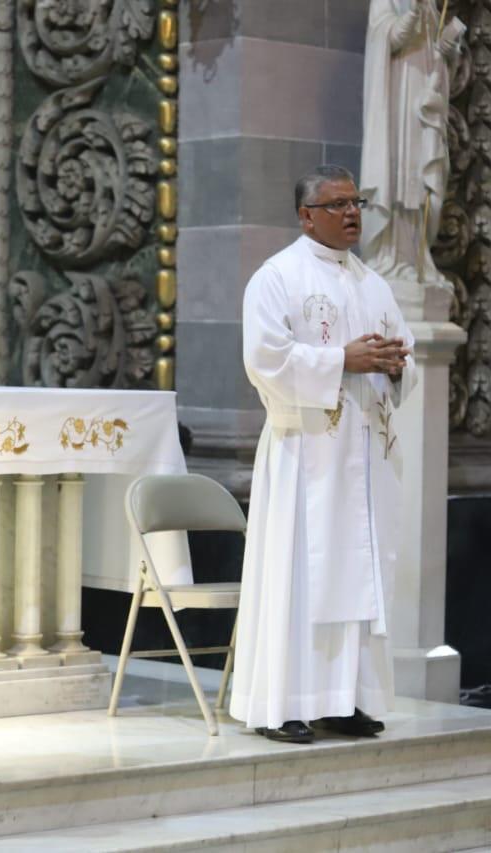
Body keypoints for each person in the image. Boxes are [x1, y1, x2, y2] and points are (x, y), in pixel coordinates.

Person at [230, 165, 416, 744]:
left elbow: (395, 351)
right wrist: (343, 361)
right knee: (299, 576)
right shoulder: (276, 277)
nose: (352, 212)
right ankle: (279, 706)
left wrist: (392, 363)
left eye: (356, 201)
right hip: (303, 453)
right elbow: (264, 360)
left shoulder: (372, 282)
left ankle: (341, 700)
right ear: (306, 215)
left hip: (361, 455)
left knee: (357, 576)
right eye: (337, 204)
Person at [360, 0, 464, 310]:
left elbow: (436, 60)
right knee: (398, 178)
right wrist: (415, 12)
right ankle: (391, 258)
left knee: (421, 179)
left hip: (423, 105)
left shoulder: (432, 7)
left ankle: (419, 262)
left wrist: (446, 52)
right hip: (398, 102)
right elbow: (388, 38)